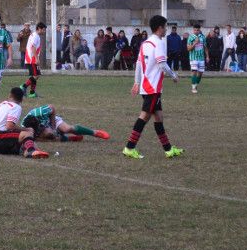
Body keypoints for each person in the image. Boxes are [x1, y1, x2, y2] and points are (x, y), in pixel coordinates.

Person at [123, 14, 183, 159]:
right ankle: (129, 148)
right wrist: (174, 75)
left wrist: (137, 82)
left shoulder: (145, 43)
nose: (166, 29)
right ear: (159, 28)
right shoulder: (158, 43)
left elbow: (138, 64)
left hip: (146, 86)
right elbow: (162, 64)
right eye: (165, 27)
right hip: (153, 88)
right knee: (144, 116)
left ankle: (168, 149)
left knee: (159, 117)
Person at [0, 87, 47, 159]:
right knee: (27, 134)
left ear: (10, 95)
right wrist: (27, 129)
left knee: (23, 140)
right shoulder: (15, 107)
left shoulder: (0, 105)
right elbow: (9, 126)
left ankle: (31, 150)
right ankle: (30, 151)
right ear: (22, 99)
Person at [22, 103, 110, 142]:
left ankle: (95, 132)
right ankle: (68, 139)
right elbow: (34, 139)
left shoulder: (40, 112)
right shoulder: (24, 127)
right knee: (49, 135)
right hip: (43, 128)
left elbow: (52, 107)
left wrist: (53, 126)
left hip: (50, 119)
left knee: (67, 129)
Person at [21, 22, 45, 99]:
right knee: (36, 75)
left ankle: (32, 93)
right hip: (31, 59)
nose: (44, 31)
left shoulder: (36, 35)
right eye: (43, 30)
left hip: (33, 58)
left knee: (36, 75)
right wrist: (37, 59)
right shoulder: (35, 36)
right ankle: (24, 87)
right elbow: (33, 48)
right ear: (39, 29)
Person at [186, 24, 207, 94]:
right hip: (193, 58)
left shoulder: (202, 37)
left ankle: (195, 85)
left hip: (201, 58)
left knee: (200, 73)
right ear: (193, 30)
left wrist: (207, 56)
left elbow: (205, 47)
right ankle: (193, 88)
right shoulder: (190, 37)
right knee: (194, 71)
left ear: (199, 30)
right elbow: (188, 49)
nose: (196, 31)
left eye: (197, 30)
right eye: (195, 30)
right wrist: (195, 43)